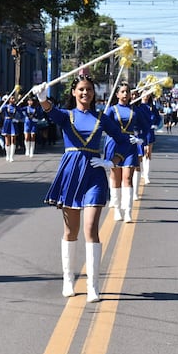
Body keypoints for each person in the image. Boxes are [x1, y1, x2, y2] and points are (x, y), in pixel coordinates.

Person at [33, 75, 132, 302]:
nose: (85, 93)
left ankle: (92, 286)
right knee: (71, 231)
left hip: (94, 174)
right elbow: (51, 112)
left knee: (91, 229)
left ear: (93, 94)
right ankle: (68, 280)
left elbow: (124, 140)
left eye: (88, 89)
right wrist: (42, 98)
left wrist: (112, 162)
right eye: (81, 89)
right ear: (74, 93)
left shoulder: (102, 118)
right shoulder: (67, 116)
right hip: (71, 174)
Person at [105, 82, 147, 223]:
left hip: (129, 145)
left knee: (127, 177)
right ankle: (117, 209)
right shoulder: (111, 110)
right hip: (114, 144)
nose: (125, 94)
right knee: (115, 177)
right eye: (122, 91)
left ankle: (128, 211)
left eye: (127, 92)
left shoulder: (135, 111)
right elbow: (102, 126)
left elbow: (145, 127)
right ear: (116, 94)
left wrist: (140, 139)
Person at [0, 94, 20, 162]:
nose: (13, 100)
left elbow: (21, 114)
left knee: (13, 139)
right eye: (12, 98)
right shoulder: (5, 106)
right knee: (7, 139)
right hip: (7, 122)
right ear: (9, 99)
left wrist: (17, 119)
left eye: (14, 98)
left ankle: (12, 156)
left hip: (13, 122)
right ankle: (7, 155)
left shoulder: (16, 107)